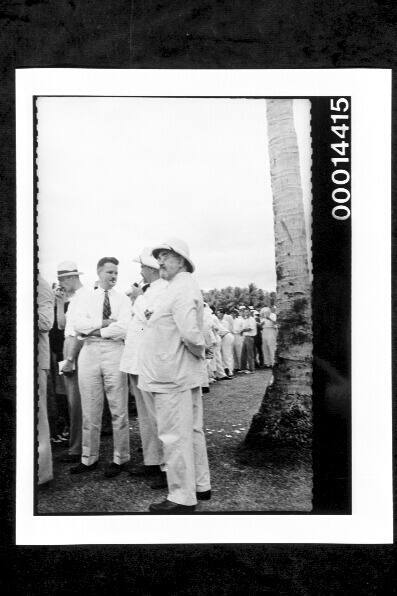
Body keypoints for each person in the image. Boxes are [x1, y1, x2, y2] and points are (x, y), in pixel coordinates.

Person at [139, 238, 211, 513]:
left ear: (181, 260)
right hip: (178, 372)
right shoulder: (179, 286)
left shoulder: (181, 288)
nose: (160, 261)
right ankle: (201, 485)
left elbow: (191, 333)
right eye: (159, 257)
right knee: (192, 431)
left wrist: (197, 353)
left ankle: (181, 497)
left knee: (173, 435)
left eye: (166, 256)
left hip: (172, 374)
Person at [70, 257, 131, 478]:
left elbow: (124, 328)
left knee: (118, 408)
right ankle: (89, 458)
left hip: (115, 351)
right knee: (90, 408)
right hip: (89, 351)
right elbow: (78, 325)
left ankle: (121, 458)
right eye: (109, 272)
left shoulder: (123, 299)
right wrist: (103, 323)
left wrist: (95, 329)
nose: (113, 277)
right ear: (98, 272)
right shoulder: (85, 297)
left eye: (116, 272)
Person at [120, 248, 168, 488]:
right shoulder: (147, 292)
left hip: (148, 362)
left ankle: (166, 467)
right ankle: (152, 461)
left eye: (142, 267)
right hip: (136, 362)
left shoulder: (161, 291)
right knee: (146, 416)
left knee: (157, 415)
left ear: (151, 269)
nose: (140, 271)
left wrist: (138, 297)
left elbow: (151, 321)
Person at [56, 261, 88, 463]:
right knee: (71, 399)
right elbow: (61, 325)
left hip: (75, 346)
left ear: (70, 278)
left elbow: (79, 331)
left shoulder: (84, 298)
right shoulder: (74, 299)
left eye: (62, 280)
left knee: (77, 401)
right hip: (68, 342)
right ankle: (76, 446)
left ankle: (77, 448)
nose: (61, 285)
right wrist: (60, 303)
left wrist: (70, 358)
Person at [37, 274, 54, 485]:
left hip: (35, 359)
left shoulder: (39, 283)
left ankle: (41, 474)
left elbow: (46, 322)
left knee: (37, 418)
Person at [217, 309, 234, 378]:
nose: (217, 314)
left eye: (219, 313)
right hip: (222, 338)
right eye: (217, 313)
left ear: (222, 314)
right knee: (222, 354)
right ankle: (225, 369)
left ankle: (230, 371)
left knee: (227, 354)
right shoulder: (217, 321)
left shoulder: (225, 322)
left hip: (226, 337)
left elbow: (225, 332)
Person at [240, 307, 256, 373]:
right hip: (245, 337)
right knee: (243, 353)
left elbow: (250, 328)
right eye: (245, 312)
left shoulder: (252, 319)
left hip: (250, 337)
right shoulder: (245, 319)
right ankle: (243, 368)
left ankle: (252, 369)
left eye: (247, 312)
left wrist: (243, 330)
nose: (246, 313)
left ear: (249, 312)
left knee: (250, 354)